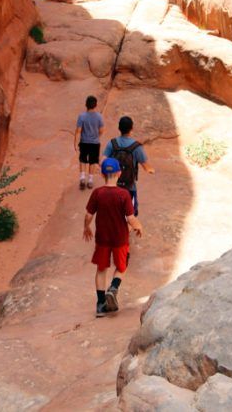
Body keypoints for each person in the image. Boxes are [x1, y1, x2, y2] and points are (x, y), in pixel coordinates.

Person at [83, 157, 143, 316]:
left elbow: (89, 215)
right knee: (122, 266)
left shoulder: (97, 193)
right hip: (120, 238)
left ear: (102, 174)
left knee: (101, 268)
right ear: (119, 173)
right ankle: (114, 287)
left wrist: (86, 227)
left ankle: (100, 304)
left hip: (102, 238)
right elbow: (130, 218)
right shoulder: (124, 194)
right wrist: (138, 226)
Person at [103, 115, 154, 215]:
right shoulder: (136, 147)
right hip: (130, 187)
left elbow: (103, 161)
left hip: (114, 185)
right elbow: (146, 167)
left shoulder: (112, 143)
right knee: (131, 214)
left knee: (114, 212)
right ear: (131, 129)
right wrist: (151, 170)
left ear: (119, 128)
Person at [74, 95, 104, 190]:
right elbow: (102, 130)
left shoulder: (82, 116)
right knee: (93, 161)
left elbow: (78, 130)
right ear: (95, 105)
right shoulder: (99, 117)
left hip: (84, 142)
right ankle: (90, 180)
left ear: (86, 105)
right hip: (95, 143)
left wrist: (75, 143)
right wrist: (97, 137)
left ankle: (82, 178)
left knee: (83, 159)